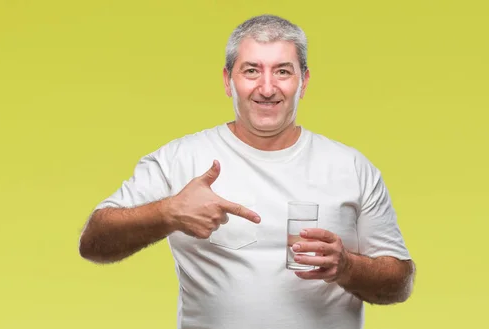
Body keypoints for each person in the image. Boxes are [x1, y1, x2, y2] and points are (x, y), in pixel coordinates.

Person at [79, 14, 415, 329]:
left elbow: (399, 283)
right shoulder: (179, 159)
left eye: (283, 72)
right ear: (228, 80)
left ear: (304, 81)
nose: (267, 88)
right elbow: (93, 242)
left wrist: (347, 267)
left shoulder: (352, 167)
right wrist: (168, 213)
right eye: (251, 71)